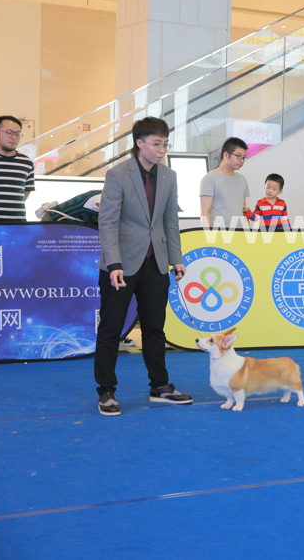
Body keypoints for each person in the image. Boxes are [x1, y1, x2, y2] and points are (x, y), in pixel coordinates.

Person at [94, 117, 192, 416]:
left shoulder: (169, 176)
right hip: (120, 265)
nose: (162, 150)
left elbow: (170, 221)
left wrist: (176, 258)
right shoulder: (117, 174)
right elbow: (108, 222)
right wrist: (113, 262)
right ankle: (106, 391)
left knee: (154, 328)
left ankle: (160, 386)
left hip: (156, 263)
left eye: (166, 144)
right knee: (111, 329)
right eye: (157, 144)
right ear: (139, 143)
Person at [0, 116, 34, 221]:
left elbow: (26, 192)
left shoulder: (27, 163)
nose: (14, 137)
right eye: (9, 133)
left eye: (18, 134)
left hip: (17, 225)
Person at [200, 137, 251, 229]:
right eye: (238, 156)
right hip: (218, 234)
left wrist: (249, 233)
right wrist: (207, 235)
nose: (242, 161)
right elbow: (204, 213)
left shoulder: (242, 180)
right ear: (226, 155)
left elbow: (244, 211)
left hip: (240, 234)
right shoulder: (209, 178)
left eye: (243, 157)